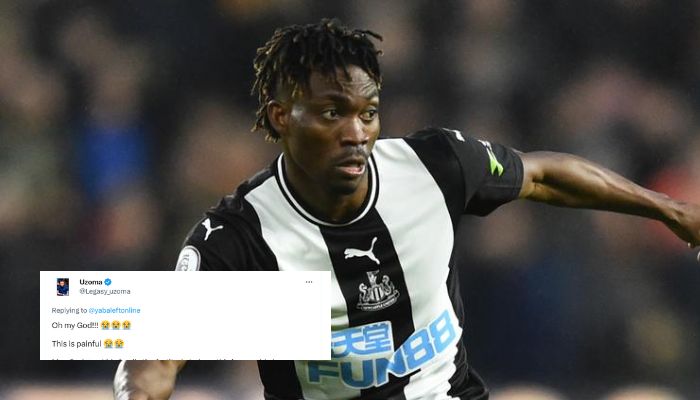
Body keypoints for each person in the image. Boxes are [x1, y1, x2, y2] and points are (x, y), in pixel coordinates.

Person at [113, 19, 700, 400]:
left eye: (367, 113)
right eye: (332, 113)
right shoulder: (238, 235)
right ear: (280, 118)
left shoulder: (432, 167)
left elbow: (544, 174)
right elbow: (153, 354)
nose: (355, 133)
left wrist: (669, 209)